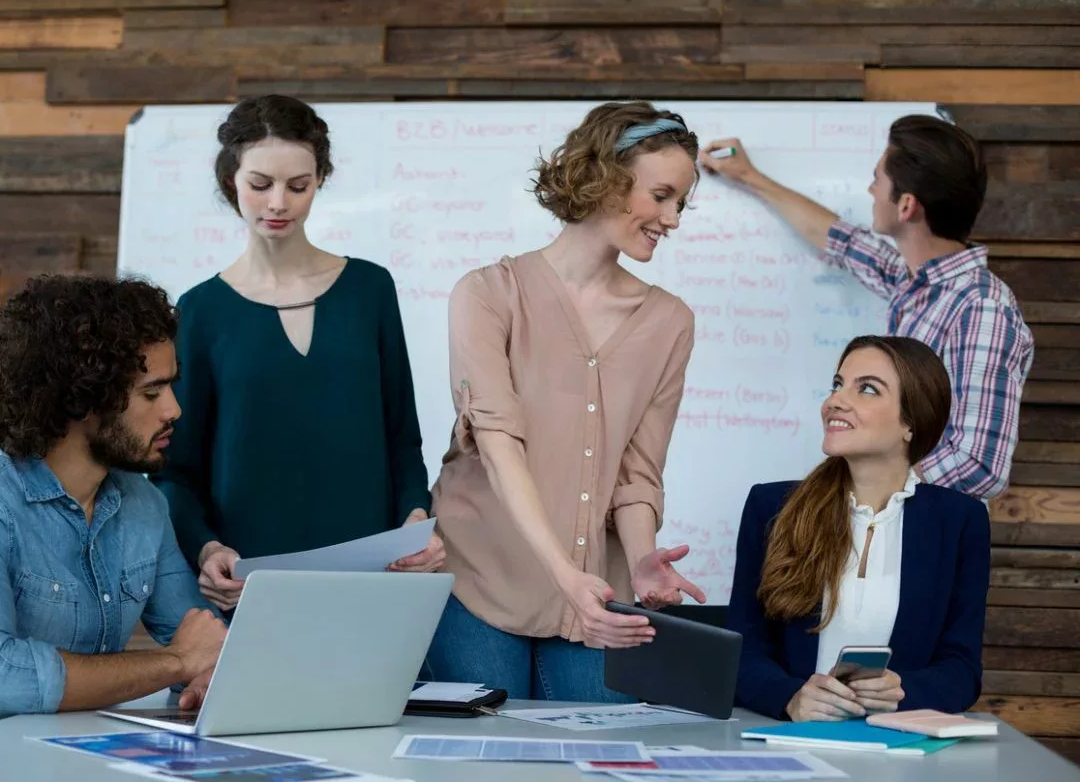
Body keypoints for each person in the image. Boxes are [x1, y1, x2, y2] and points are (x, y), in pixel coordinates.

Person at [425, 101, 708, 702]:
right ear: (605, 177)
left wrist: (641, 561)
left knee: (605, 747)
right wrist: (563, 575)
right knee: (482, 749)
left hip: (598, 596)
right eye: (661, 196)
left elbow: (637, 473)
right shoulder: (488, 294)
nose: (672, 219)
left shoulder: (670, 322)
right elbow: (498, 446)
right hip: (479, 575)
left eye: (680, 202)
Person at [0, 275, 227, 751]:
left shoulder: (144, 504)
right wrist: (176, 663)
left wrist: (205, 669)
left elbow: (206, 642)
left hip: (66, 759)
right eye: (152, 393)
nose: (175, 410)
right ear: (82, 399)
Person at [151, 95, 441, 611]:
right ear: (231, 181)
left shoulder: (370, 289)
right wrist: (206, 548)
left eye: (298, 186)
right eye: (260, 184)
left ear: (320, 180)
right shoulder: (200, 311)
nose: (278, 203)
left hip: (373, 574)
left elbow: (402, 439)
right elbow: (176, 470)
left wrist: (416, 517)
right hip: (250, 584)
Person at [700, 117, 1034, 501]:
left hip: (922, 529)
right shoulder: (912, 283)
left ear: (906, 206)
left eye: (878, 179)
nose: (870, 190)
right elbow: (839, 240)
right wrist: (749, 177)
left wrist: (870, 489)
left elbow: (979, 464)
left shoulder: (981, 308)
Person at [727, 335, 990, 722]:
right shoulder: (771, 507)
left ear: (911, 422)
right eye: (838, 384)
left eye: (867, 389)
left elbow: (962, 669)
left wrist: (904, 690)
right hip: (789, 738)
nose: (836, 400)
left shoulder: (960, 520)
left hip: (897, 743)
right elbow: (742, 652)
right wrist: (790, 697)